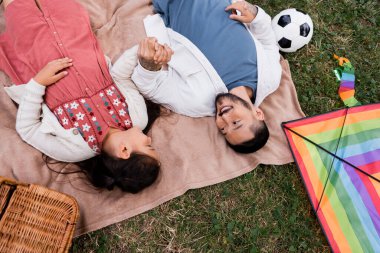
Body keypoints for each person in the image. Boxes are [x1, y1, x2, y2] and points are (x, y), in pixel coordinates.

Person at [0, 0, 160, 193]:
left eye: (149, 147)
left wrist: (39, 83)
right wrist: (139, 53)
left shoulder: (74, 150)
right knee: (65, 7)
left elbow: (28, 129)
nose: (150, 140)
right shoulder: (138, 118)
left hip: (39, 58)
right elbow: (120, 78)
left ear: (124, 151)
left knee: (20, 14)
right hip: (78, 43)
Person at [127, 0, 282, 153]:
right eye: (236, 122)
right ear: (258, 113)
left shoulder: (197, 101)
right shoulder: (271, 78)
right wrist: (256, 15)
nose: (224, 118)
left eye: (223, 128)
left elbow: (150, 88)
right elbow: (268, 42)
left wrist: (149, 65)